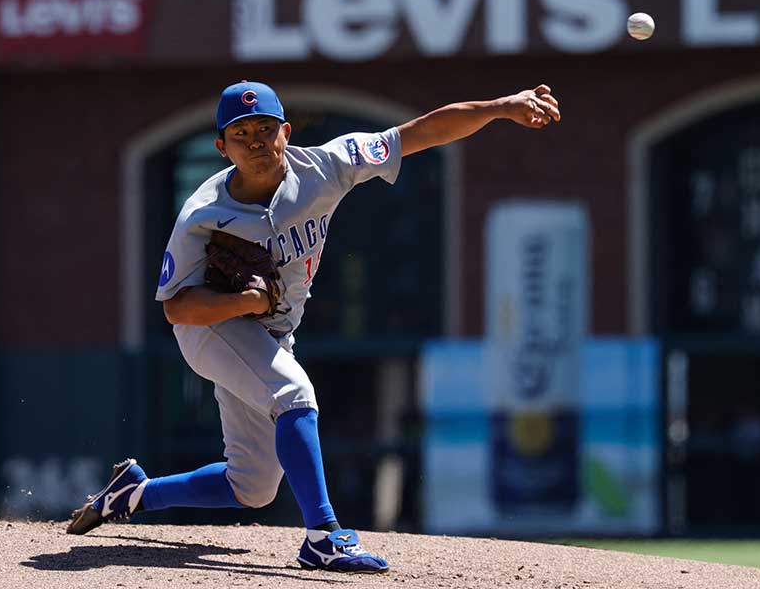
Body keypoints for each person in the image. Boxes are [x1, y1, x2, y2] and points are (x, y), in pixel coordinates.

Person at [67, 80, 561, 573]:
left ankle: (135, 494)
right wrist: (243, 299)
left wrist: (500, 107)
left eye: (265, 128)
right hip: (211, 331)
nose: (256, 141)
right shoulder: (202, 213)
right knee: (294, 393)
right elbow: (178, 310)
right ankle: (324, 536)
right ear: (223, 147)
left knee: (253, 487)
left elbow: (419, 132)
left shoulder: (327, 165)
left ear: (286, 131)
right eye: (242, 134)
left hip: (271, 334)